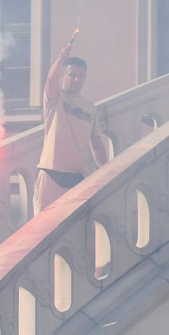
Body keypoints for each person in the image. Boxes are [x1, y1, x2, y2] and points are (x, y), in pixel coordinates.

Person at [33, 47, 108, 215]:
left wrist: (106, 171)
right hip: (50, 173)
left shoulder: (89, 107)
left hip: (78, 177)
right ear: (63, 76)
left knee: (73, 231)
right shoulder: (55, 97)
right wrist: (60, 59)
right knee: (41, 229)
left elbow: (96, 143)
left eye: (81, 76)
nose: (76, 79)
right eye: (72, 75)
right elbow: (50, 81)